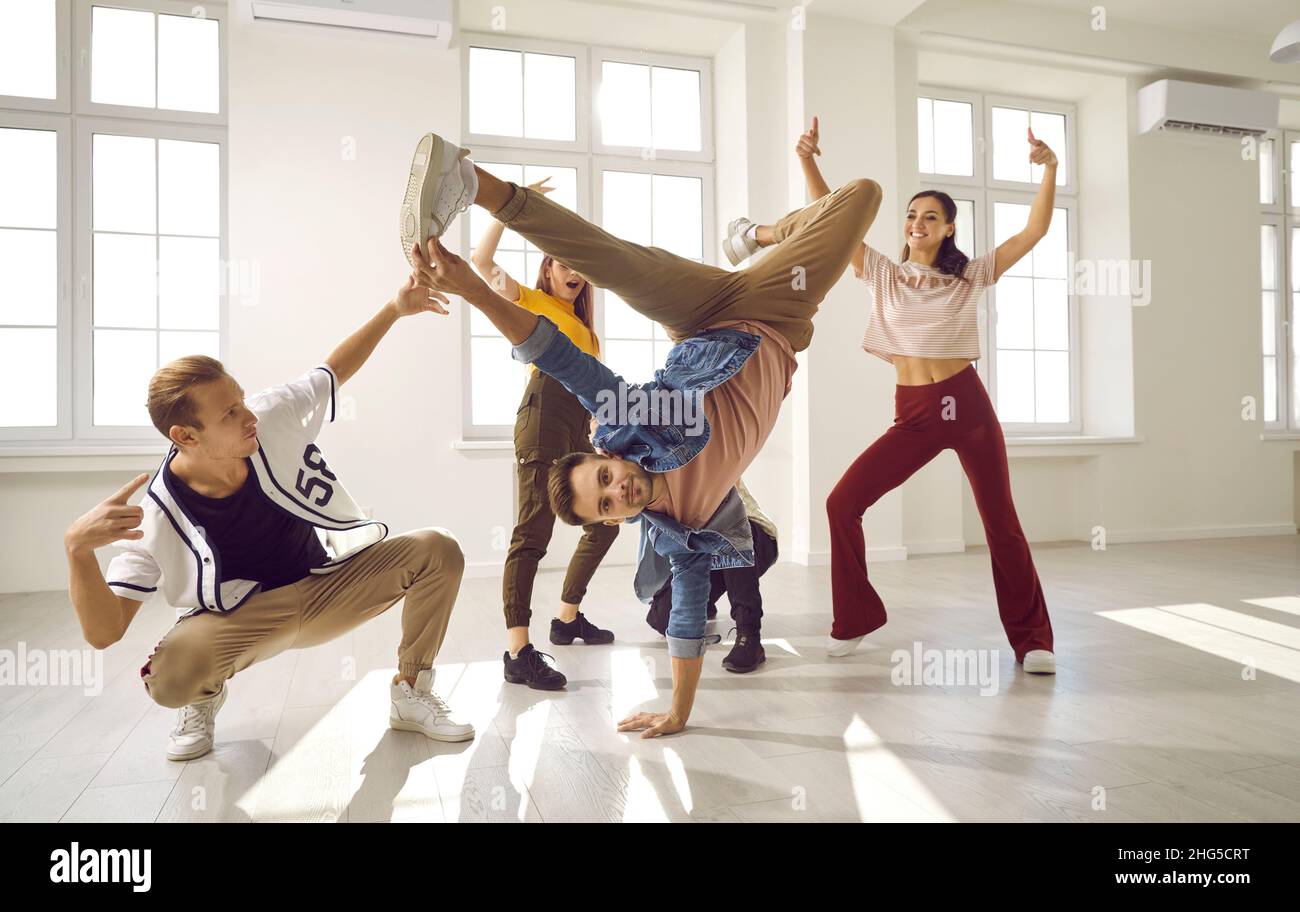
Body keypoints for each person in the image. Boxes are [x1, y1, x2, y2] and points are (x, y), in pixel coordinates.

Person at [398, 126, 881, 735]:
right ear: (613, 522)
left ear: (608, 457)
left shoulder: (640, 424)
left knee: (616, 261)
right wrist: (678, 711)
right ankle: (758, 241)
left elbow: (561, 357)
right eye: (605, 504)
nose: (618, 488)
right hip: (776, 316)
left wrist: (471, 287)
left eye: (605, 475)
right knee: (863, 195)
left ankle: (468, 181)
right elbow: (686, 613)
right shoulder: (687, 531)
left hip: (700, 316)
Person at [63, 275, 474, 761]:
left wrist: (394, 308)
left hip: (326, 587)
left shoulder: (267, 416)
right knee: (171, 677)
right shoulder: (155, 514)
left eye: (240, 400)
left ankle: (411, 691)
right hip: (244, 620)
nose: (248, 415)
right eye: (229, 413)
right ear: (186, 436)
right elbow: (105, 632)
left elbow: (332, 371)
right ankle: (201, 699)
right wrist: (77, 548)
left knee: (437, 548)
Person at [735, 116, 1056, 672]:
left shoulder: (971, 275)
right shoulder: (883, 273)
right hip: (915, 415)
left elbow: (1033, 233)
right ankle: (856, 617)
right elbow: (835, 223)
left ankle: (1034, 641)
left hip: (968, 406)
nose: (917, 223)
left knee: (1000, 520)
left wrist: (1050, 169)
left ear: (949, 228)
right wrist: (808, 160)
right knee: (843, 503)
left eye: (930, 217)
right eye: (911, 215)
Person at [471, 176, 620, 691]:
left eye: (578, 266)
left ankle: (567, 618)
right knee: (533, 530)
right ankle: (517, 650)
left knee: (606, 522)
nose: (573, 272)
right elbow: (481, 265)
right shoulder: (531, 300)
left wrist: (600, 430)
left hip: (580, 420)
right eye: (562, 262)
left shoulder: (591, 333)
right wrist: (505, 210)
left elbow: (595, 392)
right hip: (542, 411)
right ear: (548, 268)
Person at [644, 478, 778, 674]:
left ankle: (749, 635)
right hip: (705, 548)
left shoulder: (705, 457)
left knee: (731, 532)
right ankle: (705, 602)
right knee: (660, 618)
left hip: (751, 535)